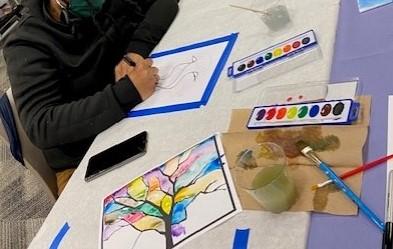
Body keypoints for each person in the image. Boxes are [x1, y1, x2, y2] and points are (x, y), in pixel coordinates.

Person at [3, 0, 179, 194]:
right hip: (84, 156)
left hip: (136, 114)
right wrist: (126, 93)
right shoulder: (27, 42)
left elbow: (164, 3)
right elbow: (42, 124)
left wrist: (136, 51)